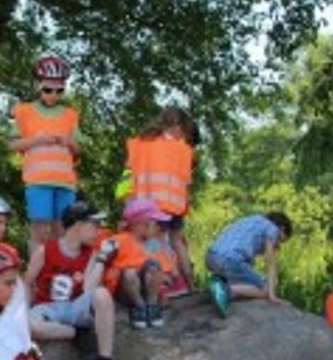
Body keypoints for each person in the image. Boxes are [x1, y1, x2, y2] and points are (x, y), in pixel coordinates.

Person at [25, 200, 117, 360]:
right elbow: (26, 282)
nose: (99, 229)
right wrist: (23, 312)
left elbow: (89, 289)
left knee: (102, 294)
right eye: (95, 223)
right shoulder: (45, 251)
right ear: (78, 225)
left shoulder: (91, 253)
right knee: (29, 325)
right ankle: (76, 333)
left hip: (75, 306)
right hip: (47, 308)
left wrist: (101, 258)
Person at [8, 55, 83, 252]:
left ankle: (60, 274)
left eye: (59, 90)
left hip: (65, 182)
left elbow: (79, 150)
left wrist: (69, 142)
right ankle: (36, 276)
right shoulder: (24, 111)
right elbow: (12, 145)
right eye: (48, 89)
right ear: (38, 86)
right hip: (38, 181)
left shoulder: (70, 115)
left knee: (63, 231)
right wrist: (37, 140)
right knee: (40, 231)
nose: (53, 95)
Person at [124, 105, 199, 297]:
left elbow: (129, 174)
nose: (182, 135)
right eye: (183, 130)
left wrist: (127, 203)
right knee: (177, 242)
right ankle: (189, 283)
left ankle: (164, 284)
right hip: (176, 205)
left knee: (154, 244)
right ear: (177, 127)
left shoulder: (139, 144)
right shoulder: (183, 150)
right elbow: (186, 182)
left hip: (151, 205)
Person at [97, 197, 168, 330]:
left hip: (147, 290)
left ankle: (152, 307)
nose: (158, 227)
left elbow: (161, 273)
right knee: (129, 272)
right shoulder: (119, 240)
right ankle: (139, 306)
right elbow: (102, 261)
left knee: (152, 266)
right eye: (154, 223)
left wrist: (162, 291)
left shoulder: (153, 245)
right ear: (141, 224)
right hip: (125, 291)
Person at [205, 211, 294, 317]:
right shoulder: (272, 229)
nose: (278, 245)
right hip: (229, 260)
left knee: (249, 277)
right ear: (282, 229)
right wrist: (272, 295)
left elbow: (246, 259)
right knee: (265, 288)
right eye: (280, 240)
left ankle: (221, 281)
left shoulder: (253, 220)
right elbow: (270, 263)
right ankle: (225, 290)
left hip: (211, 257)